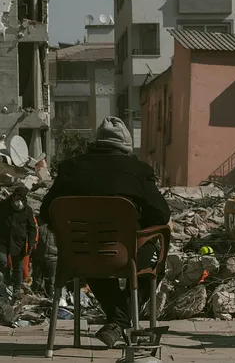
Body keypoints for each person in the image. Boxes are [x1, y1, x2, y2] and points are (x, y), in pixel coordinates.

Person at [40, 116, 171, 349]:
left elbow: (46, 212)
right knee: (155, 263)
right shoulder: (138, 171)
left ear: (98, 142)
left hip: (79, 254)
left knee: (91, 253)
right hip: (125, 254)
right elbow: (161, 215)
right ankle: (120, 320)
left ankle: (117, 320)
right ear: (126, 146)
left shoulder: (70, 168)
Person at [0, 185, 38, 303]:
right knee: (1, 261)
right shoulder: (2, 206)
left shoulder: (27, 210)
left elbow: (32, 228)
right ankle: (7, 277)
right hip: (2, 240)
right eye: (17, 198)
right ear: (13, 196)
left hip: (18, 243)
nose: (19, 201)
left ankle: (16, 290)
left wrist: (31, 243)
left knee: (18, 268)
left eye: (21, 199)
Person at [31, 215, 57, 298]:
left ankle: (50, 300)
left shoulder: (58, 227)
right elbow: (33, 240)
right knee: (36, 281)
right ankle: (33, 298)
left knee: (51, 282)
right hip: (38, 258)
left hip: (53, 259)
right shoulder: (39, 226)